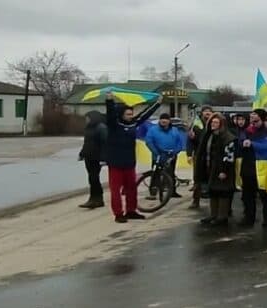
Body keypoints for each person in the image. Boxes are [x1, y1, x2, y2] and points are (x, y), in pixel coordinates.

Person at [104, 92, 161, 223]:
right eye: (128, 114)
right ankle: (118, 214)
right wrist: (109, 100)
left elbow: (144, 115)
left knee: (131, 188)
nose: (130, 116)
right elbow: (110, 115)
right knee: (116, 190)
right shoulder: (114, 125)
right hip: (115, 163)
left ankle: (131, 210)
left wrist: (157, 103)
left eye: (131, 114)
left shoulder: (133, 123)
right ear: (122, 114)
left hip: (129, 162)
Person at [238, 109, 267, 228]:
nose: (252, 117)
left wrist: (252, 144)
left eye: (255, 115)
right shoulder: (247, 130)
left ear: (261, 118)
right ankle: (249, 218)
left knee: (265, 196)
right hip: (248, 166)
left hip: (261, 167)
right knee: (248, 195)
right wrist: (243, 142)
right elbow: (241, 141)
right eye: (251, 115)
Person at [201, 113, 235, 226]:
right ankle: (213, 214)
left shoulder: (227, 137)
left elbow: (229, 155)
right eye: (212, 122)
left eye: (216, 122)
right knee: (213, 191)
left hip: (223, 168)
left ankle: (222, 216)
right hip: (212, 167)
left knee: (223, 192)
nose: (213, 124)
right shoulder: (211, 135)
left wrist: (224, 170)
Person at [145, 112, 187, 198]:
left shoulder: (175, 130)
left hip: (171, 156)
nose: (164, 121)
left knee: (171, 174)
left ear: (169, 121)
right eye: (162, 119)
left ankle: (172, 191)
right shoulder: (153, 129)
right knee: (155, 174)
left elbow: (179, 143)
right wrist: (156, 153)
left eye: (166, 119)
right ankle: (153, 193)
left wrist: (175, 152)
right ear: (159, 120)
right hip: (158, 156)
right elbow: (149, 142)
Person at [78, 110, 108, 209]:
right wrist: (82, 154)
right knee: (91, 178)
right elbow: (86, 143)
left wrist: (103, 158)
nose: (86, 120)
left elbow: (105, 143)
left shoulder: (101, 127)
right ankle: (94, 198)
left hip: (96, 157)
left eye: (88, 118)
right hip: (88, 156)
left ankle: (97, 198)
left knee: (94, 178)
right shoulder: (88, 128)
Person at [187, 105, 214, 208]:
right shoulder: (196, 125)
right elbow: (190, 140)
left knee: (212, 178)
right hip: (199, 155)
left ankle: (213, 201)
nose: (207, 113)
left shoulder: (215, 123)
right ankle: (195, 200)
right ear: (202, 113)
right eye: (205, 111)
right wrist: (189, 154)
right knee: (197, 179)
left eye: (209, 111)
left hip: (212, 155)